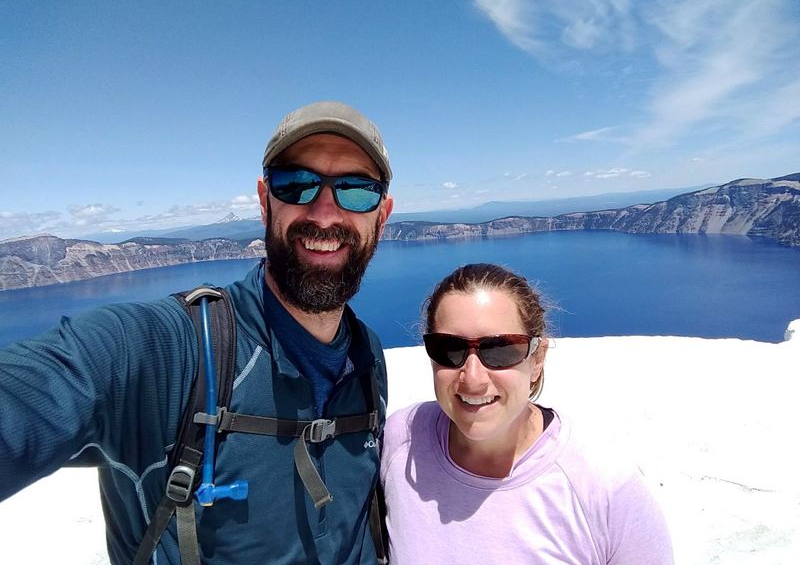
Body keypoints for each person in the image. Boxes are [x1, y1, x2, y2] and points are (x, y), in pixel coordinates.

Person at [0, 101, 394, 564]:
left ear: (382, 215)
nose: (326, 214)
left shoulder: (367, 359)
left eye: (356, 190)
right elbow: (38, 392)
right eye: (298, 184)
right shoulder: (167, 351)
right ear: (265, 201)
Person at [380, 263, 673, 564]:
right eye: (449, 349)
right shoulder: (402, 441)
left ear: (537, 360)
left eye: (500, 350)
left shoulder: (604, 488)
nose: (473, 378)